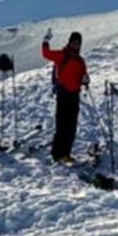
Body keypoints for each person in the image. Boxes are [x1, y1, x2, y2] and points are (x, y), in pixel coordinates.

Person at [40, 30, 89, 162]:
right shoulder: (62, 55)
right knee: (61, 125)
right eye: (74, 42)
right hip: (63, 94)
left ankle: (66, 154)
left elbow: (84, 76)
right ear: (70, 42)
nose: (76, 45)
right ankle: (56, 154)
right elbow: (46, 53)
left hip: (74, 95)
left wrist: (85, 80)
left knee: (71, 126)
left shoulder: (80, 61)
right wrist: (45, 40)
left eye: (78, 43)